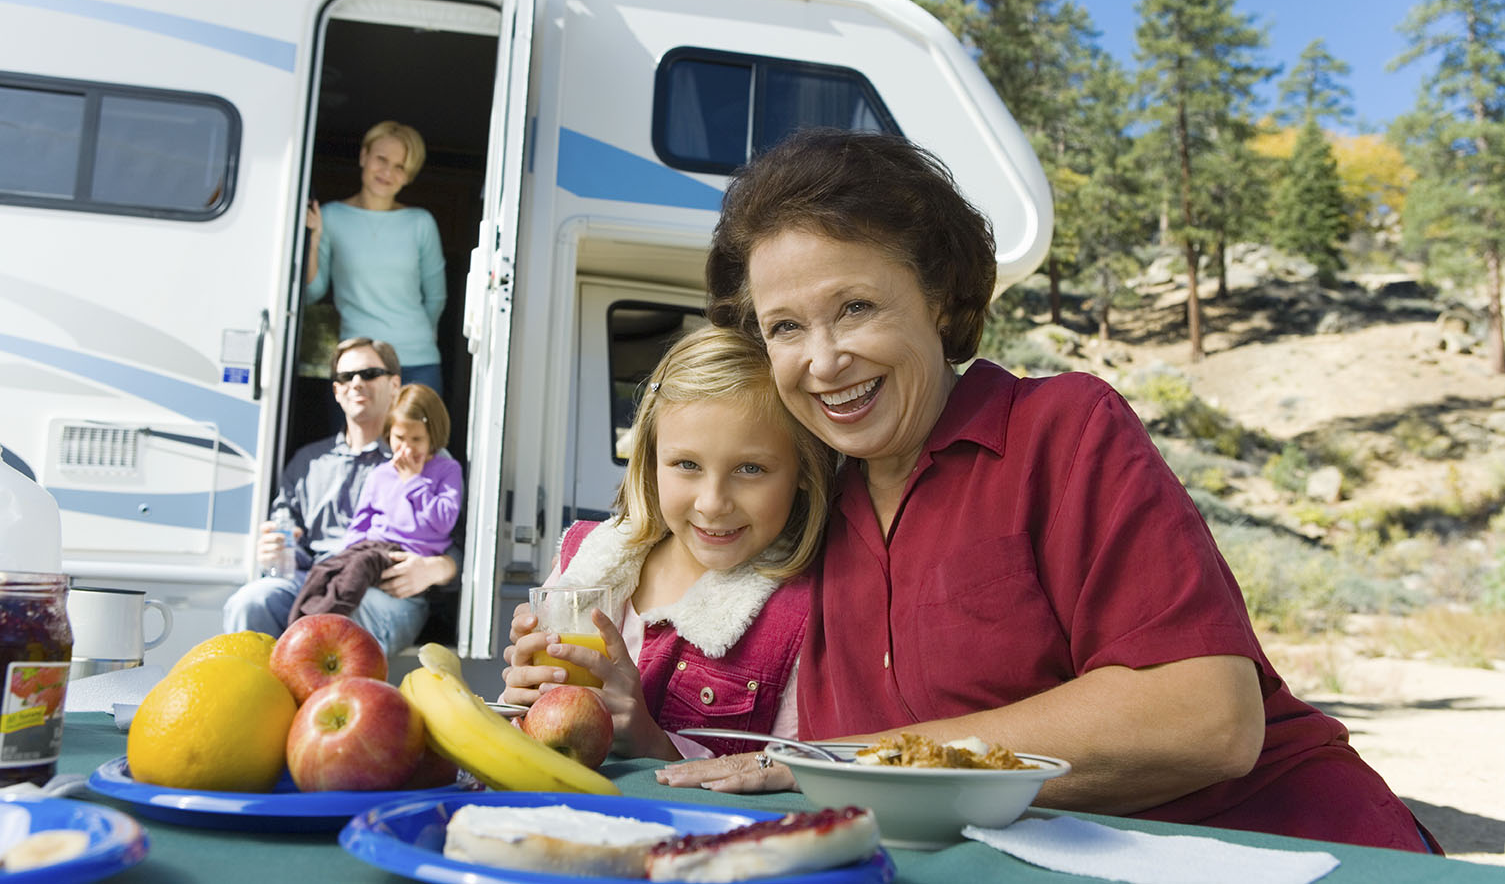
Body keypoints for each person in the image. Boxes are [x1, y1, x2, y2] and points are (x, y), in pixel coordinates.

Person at [658, 128, 1439, 854]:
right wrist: (624, 713)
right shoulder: (820, 508)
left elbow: (1206, 717)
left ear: (936, 296)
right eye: (785, 327)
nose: (822, 361)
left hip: (1288, 850)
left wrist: (856, 759)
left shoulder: (1060, 430)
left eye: (855, 307)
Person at [500, 326, 836, 760]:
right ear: (651, 462)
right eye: (687, 464)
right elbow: (531, 735)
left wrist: (651, 742)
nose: (713, 503)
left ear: (804, 471)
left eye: (750, 469)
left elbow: (796, 783)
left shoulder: (801, 620)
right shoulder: (580, 563)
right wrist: (526, 696)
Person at [223, 337, 458, 657]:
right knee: (249, 602)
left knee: (345, 620)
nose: (357, 383)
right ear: (336, 391)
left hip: (389, 588)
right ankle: (251, 701)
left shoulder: (425, 457)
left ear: (394, 385)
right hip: (317, 578)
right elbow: (289, 539)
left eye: (369, 373)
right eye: (346, 377)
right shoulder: (308, 463)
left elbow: (460, 542)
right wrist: (274, 551)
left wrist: (436, 569)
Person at [290, 384, 463, 644]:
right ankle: (298, 627)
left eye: (416, 440)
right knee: (326, 570)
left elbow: (443, 521)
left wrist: (413, 482)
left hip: (402, 554)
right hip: (370, 546)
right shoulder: (380, 474)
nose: (406, 449)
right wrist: (347, 553)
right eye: (399, 438)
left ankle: (325, 630)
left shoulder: (446, 470)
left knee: (358, 569)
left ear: (433, 437)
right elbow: (361, 522)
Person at [305, 120, 446, 396]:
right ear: (363, 156)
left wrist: (413, 340)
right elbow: (312, 292)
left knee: (415, 441)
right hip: (357, 362)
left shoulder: (421, 223)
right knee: (356, 442)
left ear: (409, 176)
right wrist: (315, 240)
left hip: (418, 363)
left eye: (400, 167)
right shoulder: (332, 216)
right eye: (381, 159)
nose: (387, 172)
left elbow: (436, 297)